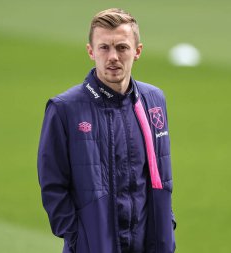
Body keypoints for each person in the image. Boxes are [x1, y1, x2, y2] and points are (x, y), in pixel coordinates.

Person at [37, 8, 176, 253]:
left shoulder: (154, 101)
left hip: (150, 244)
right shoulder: (65, 109)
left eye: (122, 47)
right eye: (104, 48)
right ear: (91, 51)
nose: (113, 56)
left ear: (137, 51)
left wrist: (167, 221)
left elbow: (160, 174)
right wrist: (79, 238)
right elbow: (52, 184)